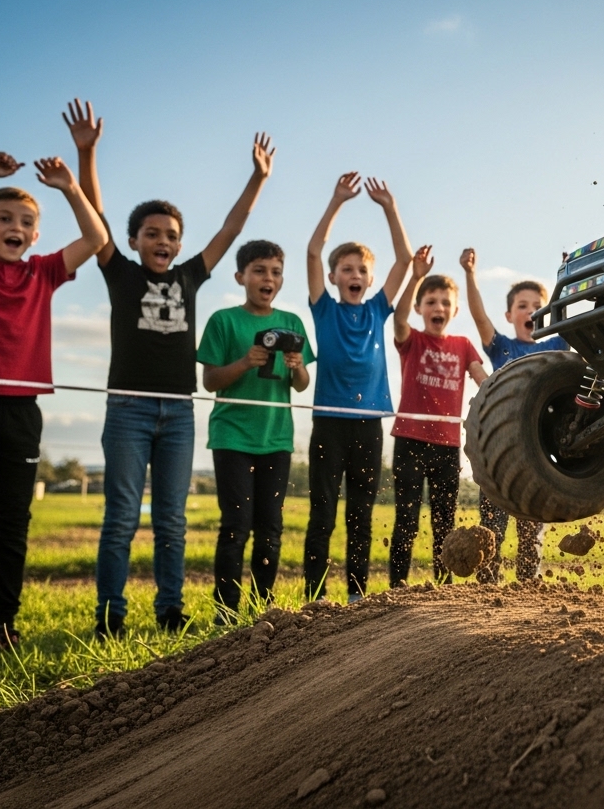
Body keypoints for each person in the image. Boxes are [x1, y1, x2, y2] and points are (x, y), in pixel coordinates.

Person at [64, 98, 275, 637]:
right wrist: (86, 154)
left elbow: (232, 228)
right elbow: (94, 219)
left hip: (179, 413)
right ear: (134, 242)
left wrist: (257, 178)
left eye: (171, 235)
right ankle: (110, 616)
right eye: (152, 234)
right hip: (129, 410)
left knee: (172, 522)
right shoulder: (120, 273)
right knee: (120, 519)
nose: (163, 241)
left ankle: (169, 611)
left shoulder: (189, 276)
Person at [0, 152, 108, 650]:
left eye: (26, 222)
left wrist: (71, 188)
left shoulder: (44, 273)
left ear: (35, 236)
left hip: (20, 412)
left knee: (11, 524)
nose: (15, 226)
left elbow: (96, 239)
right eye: (4, 218)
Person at [302, 174, 412, 602]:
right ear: (332, 277)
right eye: (346, 268)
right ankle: (315, 595)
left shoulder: (378, 310)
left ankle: (357, 596)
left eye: (361, 269)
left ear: (369, 280)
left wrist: (389, 207)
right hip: (329, 423)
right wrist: (336, 202)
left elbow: (404, 260)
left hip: (368, 426)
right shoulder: (324, 309)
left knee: (361, 514)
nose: (354, 273)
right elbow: (312, 250)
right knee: (323, 514)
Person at [198, 240, 312, 623]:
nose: (269, 278)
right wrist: (246, 362)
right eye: (260, 271)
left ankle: (264, 610)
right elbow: (210, 381)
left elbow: (301, 384)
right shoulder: (224, 321)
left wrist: (296, 365)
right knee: (236, 525)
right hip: (232, 437)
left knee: (270, 528)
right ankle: (225, 612)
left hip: (276, 440)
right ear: (241, 276)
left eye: (276, 272)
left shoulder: (293, 323)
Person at [459, 249, 568, 583]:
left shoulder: (556, 345)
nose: (531, 311)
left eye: (537, 306)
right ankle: (487, 591)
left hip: (537, 458)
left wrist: (564, 273)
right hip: (498, 456)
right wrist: (470, 274)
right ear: (509, 315)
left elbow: (565, 315)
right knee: (491, 531)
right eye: (523, 306)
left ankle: (528, 593)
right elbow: (479, 319)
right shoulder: (502, 348)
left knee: (531, 537)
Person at [389, 246, 486, 586]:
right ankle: (396, 590)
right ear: (420, 308)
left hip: (447, 445)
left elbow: (481, 380)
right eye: (430, 301)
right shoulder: (412, 340)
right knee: (407, 520)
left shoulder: (463, 345)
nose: (438, 307)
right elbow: (398, 320)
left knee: (444, 523)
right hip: (409, 441)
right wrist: (415, 277)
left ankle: (443, 591)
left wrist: (504, 397)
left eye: (445, 302)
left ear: (454, 309)